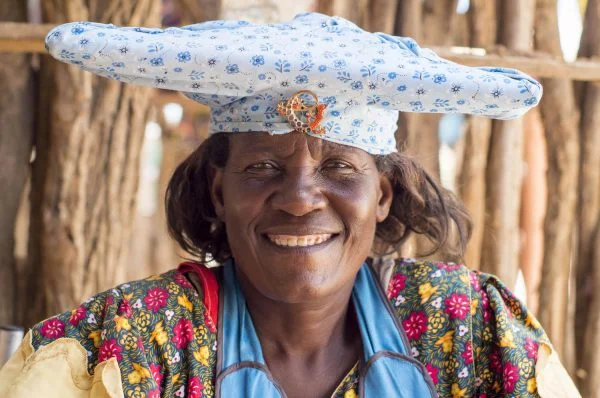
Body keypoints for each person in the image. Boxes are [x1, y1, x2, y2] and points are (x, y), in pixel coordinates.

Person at [0, 12, 580, 398]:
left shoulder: (471, 328)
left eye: (338, 167)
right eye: (262, 168)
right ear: (217, 192)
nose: (301, 200)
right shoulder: (129, 344)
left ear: (382, 194)